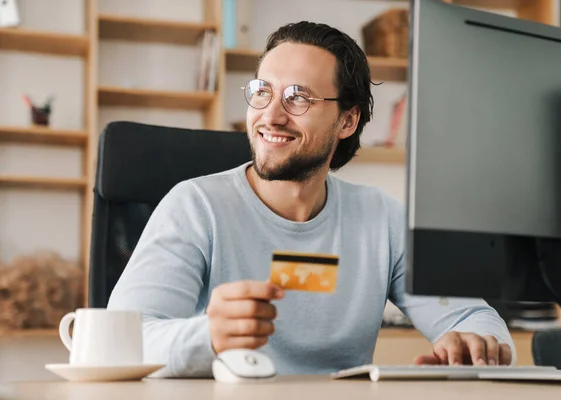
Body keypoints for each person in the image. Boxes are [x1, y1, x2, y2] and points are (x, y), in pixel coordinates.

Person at [107, 21, 516, 378]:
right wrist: (209, 335)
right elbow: (121, 342)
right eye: (262, 91)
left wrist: (476, 344)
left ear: (347, 120)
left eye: (299, 97)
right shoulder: (195, 206)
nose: (271, 115)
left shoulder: (382, 219)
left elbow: (473, 317)